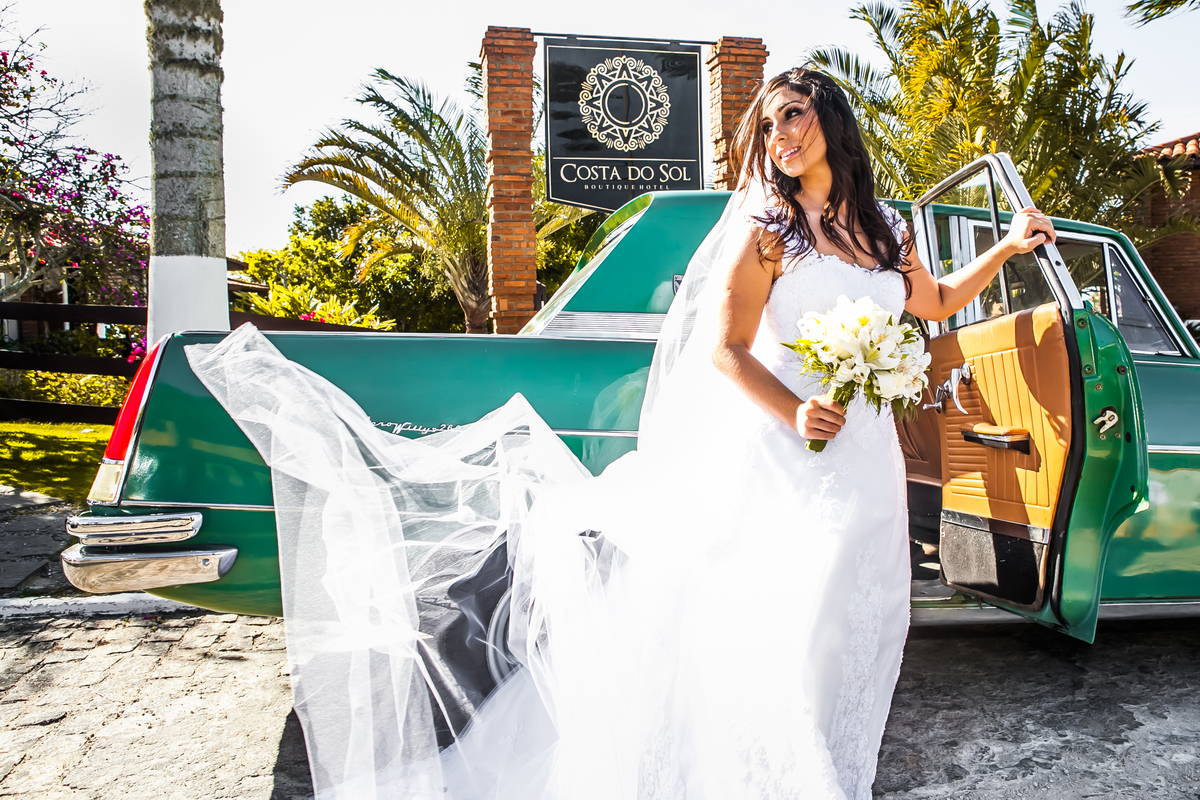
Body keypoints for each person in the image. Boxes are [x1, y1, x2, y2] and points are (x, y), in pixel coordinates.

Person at [186, 68, 1055, 800]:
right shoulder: (767, 235)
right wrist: (793, 410)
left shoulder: (884, 230)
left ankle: (819, 761)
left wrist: (1011, 249)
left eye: (794, 114)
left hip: (861, 455)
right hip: (787, 448)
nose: (781, 133)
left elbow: (933, 305)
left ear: (831, 119)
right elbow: (723, 351)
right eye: (768, 125)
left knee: (862, 612)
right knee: (798, 614)